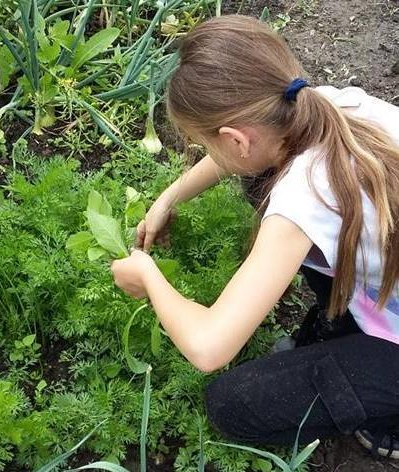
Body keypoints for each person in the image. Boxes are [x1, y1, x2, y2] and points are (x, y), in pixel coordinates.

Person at [110, 15, 399, 459]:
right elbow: (243, 155)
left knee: (234, 405)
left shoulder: (304, 202)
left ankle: (388, 418)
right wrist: (170, 197)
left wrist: (148, 277)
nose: (209, 156)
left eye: (205, 144)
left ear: (236, 139)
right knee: (260, 182)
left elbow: (209, 348)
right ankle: (348, 325)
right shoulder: (322, 104)